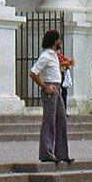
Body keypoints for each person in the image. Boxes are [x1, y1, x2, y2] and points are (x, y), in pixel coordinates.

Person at [29, 29, 71, 164]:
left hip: (57, 88)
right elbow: (33, 72)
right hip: (50, 88)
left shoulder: (53, 55)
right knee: (49, 121)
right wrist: (45, 86)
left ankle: (61, 153)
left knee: (61, 119)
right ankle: (46, 152)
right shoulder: (46, 56)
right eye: (58, 39)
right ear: (54, 41)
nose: (60, 42)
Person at [56, 44, 74, 114]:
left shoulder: (59, 54)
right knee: (61, 92)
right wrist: (66, 63)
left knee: (64, 92)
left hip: (62, 72)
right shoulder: (55, 55)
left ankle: (64, 109)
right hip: (58, 73)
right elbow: (58, 63)